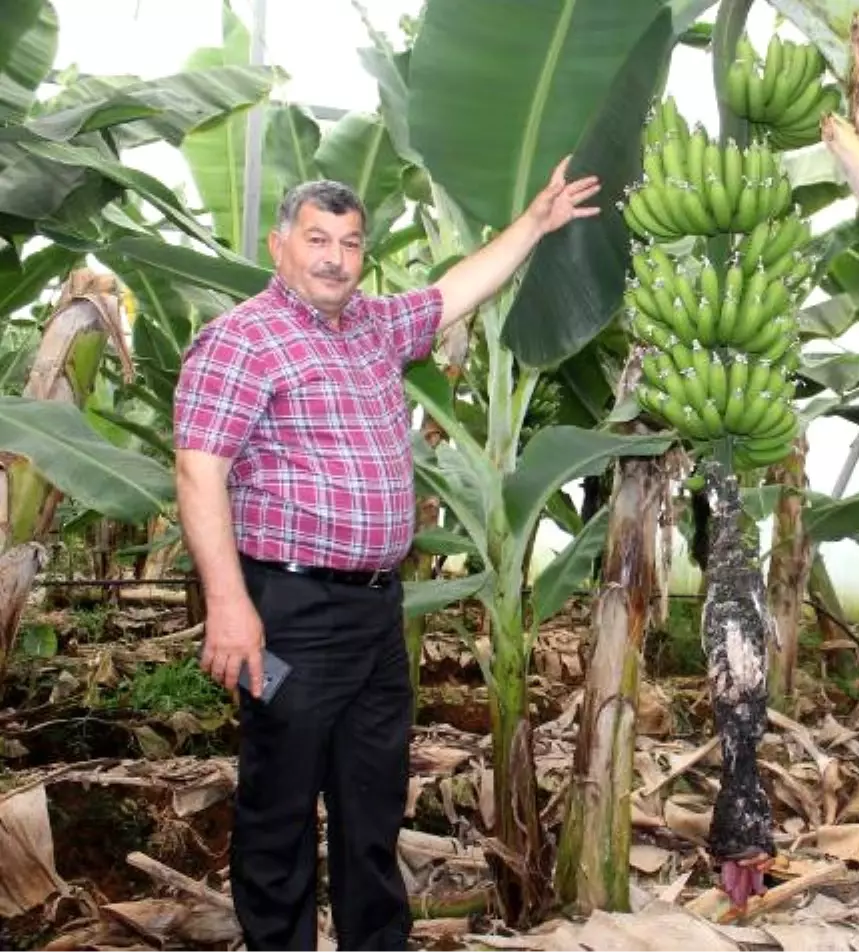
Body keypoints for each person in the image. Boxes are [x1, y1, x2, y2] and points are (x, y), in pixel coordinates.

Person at [172, 156, 601, 952]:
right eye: (317, 239)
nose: (335, 257)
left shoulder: (373, 325)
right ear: (280, 246)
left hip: (374, 610)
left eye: (351, 242)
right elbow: (201, 470)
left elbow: (457, 290)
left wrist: (536, 223)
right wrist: (230, 606)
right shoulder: (242, 340)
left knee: (372, 803)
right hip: (289, 608)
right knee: (281, 806)